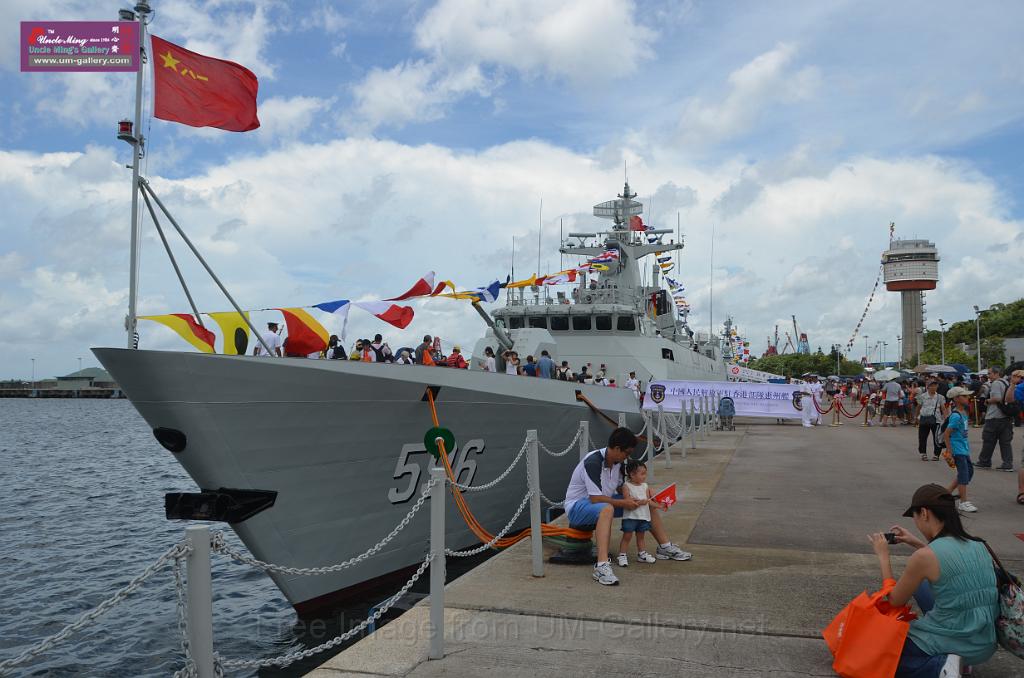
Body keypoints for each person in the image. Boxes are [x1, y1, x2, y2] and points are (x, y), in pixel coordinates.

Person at [868, 484, 998, 676]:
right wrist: (915, 542)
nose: (917, 524)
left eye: (915, 518)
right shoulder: (979, 545)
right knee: (921, 586)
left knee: (872, 654)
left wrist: (883, 556)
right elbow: (945, 563)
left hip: (955, 640)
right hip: (984, 643)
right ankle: (960, 662)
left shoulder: (924, 557)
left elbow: (894, 601)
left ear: (924, 513)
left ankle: (940, 667)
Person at [561, 427, 693, 586]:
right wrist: (624, 503)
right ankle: (602, 566)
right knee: (606, 508)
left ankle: (665, 547)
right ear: (617, 449)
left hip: (601, 503)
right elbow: (595, 499)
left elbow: (619, 489)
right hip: (577, 508)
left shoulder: (617, 463)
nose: (628, 457)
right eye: (627, 453)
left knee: (645, 500)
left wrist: (643, 491)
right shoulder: (593, 462)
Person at [616, 459, 665, 566]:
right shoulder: (626, 486)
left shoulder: (645, 486)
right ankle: (622, 555)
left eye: (645, 473)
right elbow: (627, 500)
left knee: (641, 536)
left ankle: (642, 554)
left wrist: (660, 506)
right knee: (627, 536)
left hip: (643, 516)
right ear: (632, 475)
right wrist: (639, 502)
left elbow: (649, 501)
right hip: (631, 516)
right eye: (642, 474)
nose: (644, 476)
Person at [942, 386, 977, 512]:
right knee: (964, 475)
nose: (968, 398)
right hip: (958, 450)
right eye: (965, 396)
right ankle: (963, 502)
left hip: (963, 448)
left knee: (968, 473)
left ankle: (946, 494)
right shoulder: (956, 416)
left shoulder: (963, 413)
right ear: (956, 398)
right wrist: (950, 451)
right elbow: (946, 434)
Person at [976, 366, 1013, 471]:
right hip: (1006, 417)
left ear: (996, 374)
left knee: (988, 440)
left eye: (990, 373)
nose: (988, 376)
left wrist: (987, 401)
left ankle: (984, 461)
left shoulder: (996, 383)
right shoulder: (1007, 383)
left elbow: (997, 398)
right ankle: (1007, 464)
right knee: (1005, 442)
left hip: (994, 417)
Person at [917, 381, 946, 461]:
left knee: (937, 438)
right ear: (928, 387)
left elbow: (943, 408)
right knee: (922, 437)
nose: (934, 387)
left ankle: (936, 454)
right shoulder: (921, 396)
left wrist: (946, 419)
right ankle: (923, 454)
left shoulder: (940, 397)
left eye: (935, 386)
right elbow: (918, 407)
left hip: (936, 420)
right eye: (932, 386)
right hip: (924, 419)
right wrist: (916, 417)